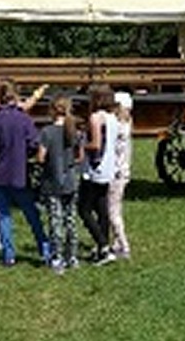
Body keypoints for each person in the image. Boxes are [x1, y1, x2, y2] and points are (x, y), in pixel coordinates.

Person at [0, 79, 49, 267]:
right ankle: (45, 249)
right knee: (32, 214)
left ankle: (8, 254)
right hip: (19, 173)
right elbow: (33, 144)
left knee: (3, 216)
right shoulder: (23, 119)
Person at [36, 95, 83, 274]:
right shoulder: (75, 131)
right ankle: (73, 256)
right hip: (71, 179)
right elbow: (80, 156)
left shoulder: (47, 132)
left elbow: (41, 157)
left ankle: (57, 257)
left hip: (53, 180)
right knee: (70, 219)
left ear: (52, 111)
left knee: (56, 221)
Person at [78, 84, 119, 266]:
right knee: (101, 208)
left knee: (84, 209)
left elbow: (95, 144)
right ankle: (104, 245)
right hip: (109, 167)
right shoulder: (113, 118)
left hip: (95, 168)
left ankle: (102, 245)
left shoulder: (96, 118)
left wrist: (79, 146)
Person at [108, 91, 132, 260]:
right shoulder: (127, 123)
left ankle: (123, 244)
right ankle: (117, 241)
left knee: (112, 211)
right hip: (122, 171)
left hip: (116, 172)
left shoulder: (118, 127)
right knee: (116, 208)